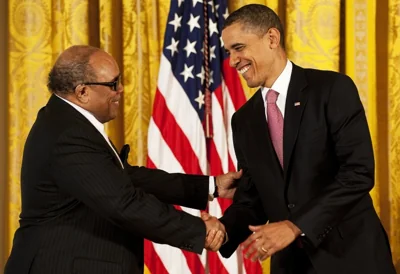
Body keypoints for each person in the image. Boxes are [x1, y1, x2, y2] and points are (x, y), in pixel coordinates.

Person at [4, 45, 232, 274]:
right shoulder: (68, 134)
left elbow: (125, 178)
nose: (121, 89)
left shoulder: (68, 122)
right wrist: (199, 231)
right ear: (82, 92)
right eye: (113, 84)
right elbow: (123, 202)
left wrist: (212, 186)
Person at [203, 4, 396, 274]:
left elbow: (358, 173)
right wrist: (223, 229)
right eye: (229, 52)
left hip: (352, 257)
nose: (233, 61)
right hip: (292, 266)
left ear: (272, 38)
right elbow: (251, 199)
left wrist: (296, 226)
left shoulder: (331, 90)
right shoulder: (244, 120)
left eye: (239, 48)